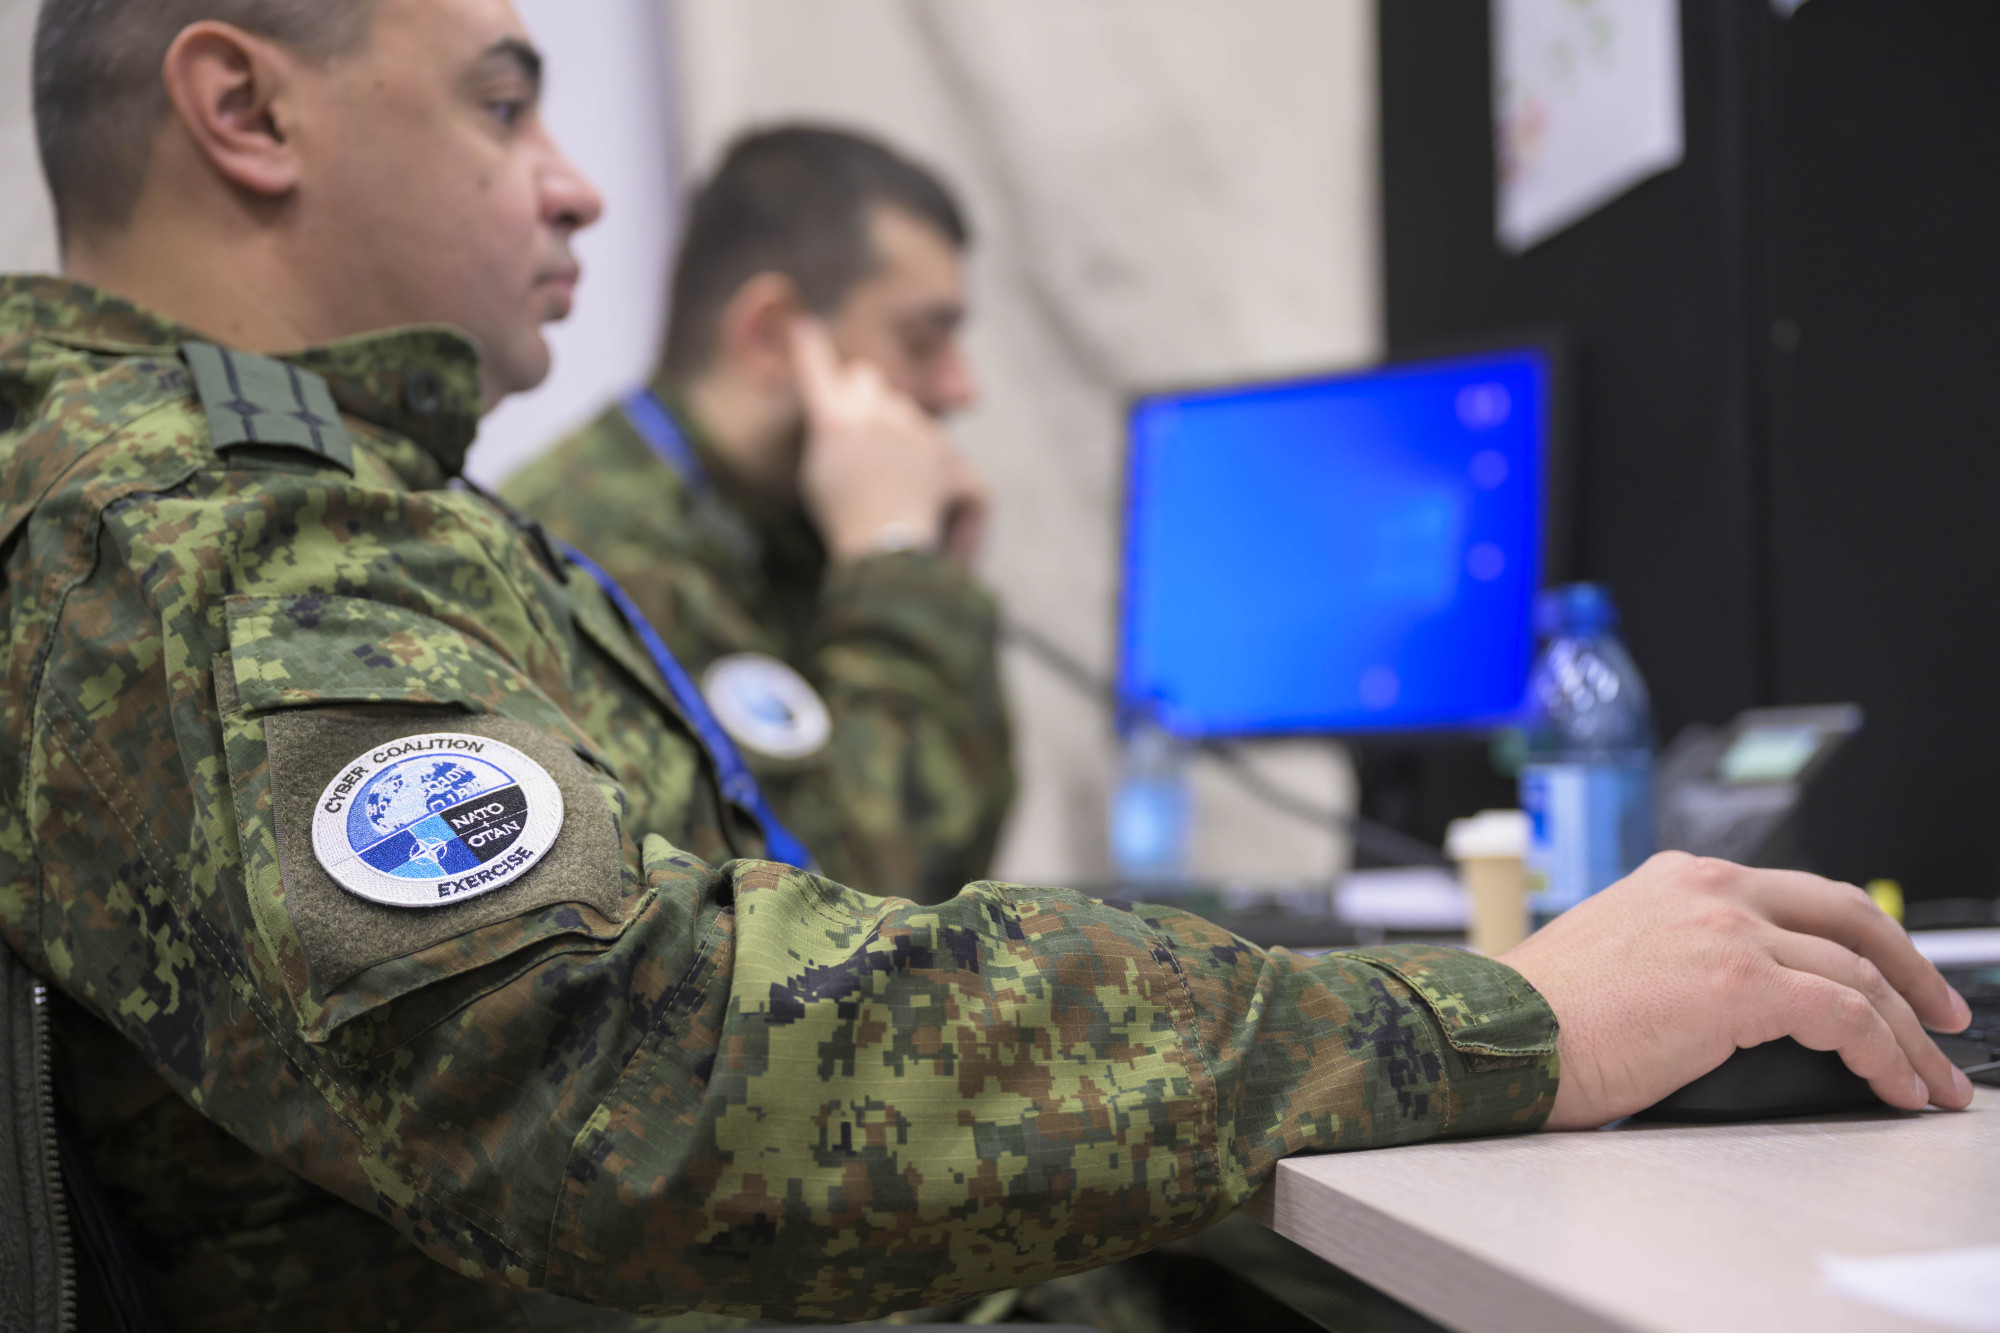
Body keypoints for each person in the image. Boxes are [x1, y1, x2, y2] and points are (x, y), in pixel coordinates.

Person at [0, 1, 1973, 1330]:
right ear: (245, 109)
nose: (577, 181)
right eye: (505, 101)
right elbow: (633, 1058)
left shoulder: (298, 495)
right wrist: (1501, 1014)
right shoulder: (208, 526)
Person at [504, 127, 1010, 905]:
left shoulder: (780, 520)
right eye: (922, 339)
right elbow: (847, 914)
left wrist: (924, 583)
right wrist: (897, 571)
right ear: (771, 335)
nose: (959, 387)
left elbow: (956, 869)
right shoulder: (602, 556)